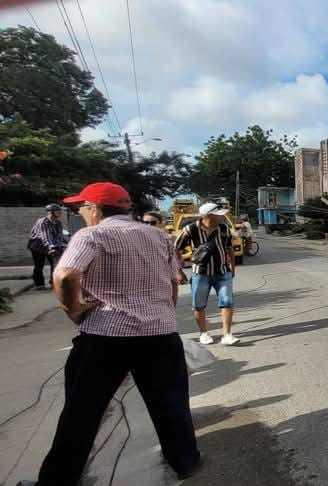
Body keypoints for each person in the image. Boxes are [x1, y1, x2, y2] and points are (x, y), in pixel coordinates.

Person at [23, 182, 201, 485]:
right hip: (160, 335)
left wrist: (73, 309)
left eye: (81, 207)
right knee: (171, 403)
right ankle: (185, 462)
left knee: (82, 410)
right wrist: (164, 316)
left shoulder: (92, 235)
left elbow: (66, 274)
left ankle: (57, 480)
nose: (80, 212)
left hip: (105, 336)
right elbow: (174, 282)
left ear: (95, 208)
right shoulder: (159, 235)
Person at [175, 202, 239, 346]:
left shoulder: (224, 229)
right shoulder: (190, 229)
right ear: (209, 215)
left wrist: (232, 268)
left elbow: (229, 249)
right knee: (198, 305)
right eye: (219, 214)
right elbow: (176, 249)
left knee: (227, 302)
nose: (222, 217)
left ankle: (227, 334)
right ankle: (203, 333)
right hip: (200, 274)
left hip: (223, 273)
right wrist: (178, 270)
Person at [27, 203, 67, 290]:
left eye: (60, 211)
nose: (60, 213)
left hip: (51, 242)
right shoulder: (43, 221)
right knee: (39, 264)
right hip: (37, 243)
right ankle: (39, 284)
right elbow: (45, 235)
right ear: (51, 212)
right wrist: (51, 247)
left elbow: (59, 235)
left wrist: (65, 243)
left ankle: (54, 282)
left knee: (55, 263)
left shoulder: (58, 222)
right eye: (58, 211)